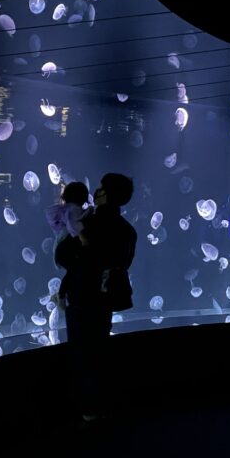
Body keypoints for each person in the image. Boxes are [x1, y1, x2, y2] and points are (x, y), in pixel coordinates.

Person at [54, 173, 137, 421]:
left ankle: (87, 411)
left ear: (104, 194)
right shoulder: (128, 231)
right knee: (98, 350)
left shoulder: (87, 223)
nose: (97, 191)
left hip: (81, 297)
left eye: (100, 188)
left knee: (82, 354)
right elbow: (124, 263)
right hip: (104, 298)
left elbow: (63, 258)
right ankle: (101, 407)